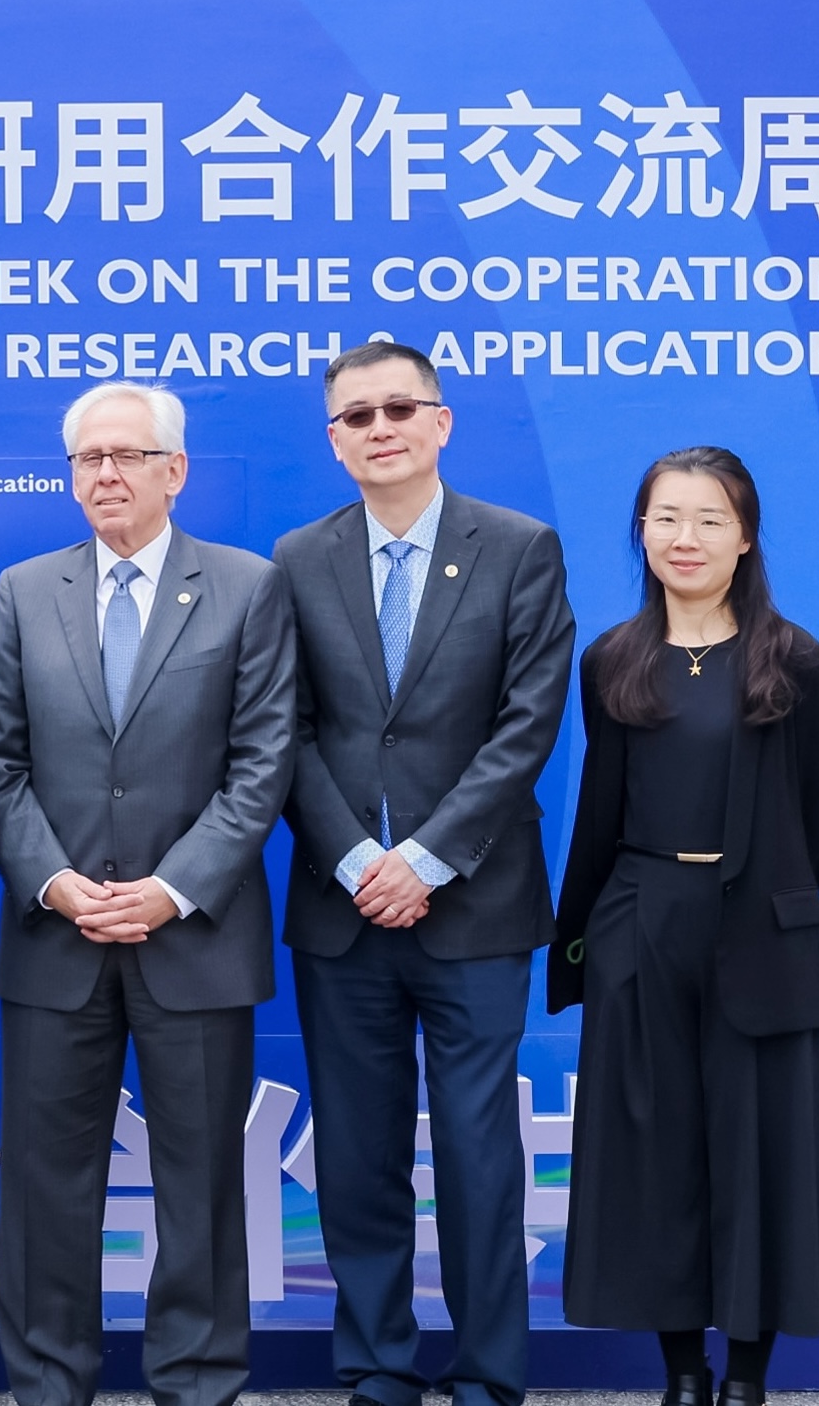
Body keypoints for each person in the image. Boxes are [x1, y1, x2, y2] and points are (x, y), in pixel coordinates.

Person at [0, 381, 295, 1406]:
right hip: (56, 937)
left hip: (193, 938)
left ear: (174, 470)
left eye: (126, 455)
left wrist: (171, 887)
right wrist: (56, 882)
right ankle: (48, 1384)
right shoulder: (26, 589)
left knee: (199, 1187)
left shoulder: (246, 586)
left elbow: (263, 760)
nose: (104, 474)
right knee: (44, 1188)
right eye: (86, 459)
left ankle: (195, 1383)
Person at [273, 341, 574, 1406]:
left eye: (399, 407)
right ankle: (377, 1366)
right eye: (356, 415)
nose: (380, 427)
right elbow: (284, 731)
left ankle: (491, 1369)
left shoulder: (518, 546)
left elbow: (526, 722)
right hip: (341, 902)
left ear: (441, 421)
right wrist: (359, 856)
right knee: (355, 1157)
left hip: (475, 904)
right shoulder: (297, 558)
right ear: (334, 441)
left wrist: (428, 858)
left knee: (480, 1155)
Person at [550, 447, 819, 1406]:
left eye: (710, 519)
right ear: (641, 531)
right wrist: (595, 935)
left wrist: (768, 901)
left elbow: (817, 817)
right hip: (641, 925)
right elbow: (602, 807)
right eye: (666, 517)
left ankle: (750, 1376)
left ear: (746, 537)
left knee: (757, 1153)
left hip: (756, 928)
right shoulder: (612, 660)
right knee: (653, 1155)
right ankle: (682, 1369)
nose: (686, 537)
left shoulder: (791, 659)